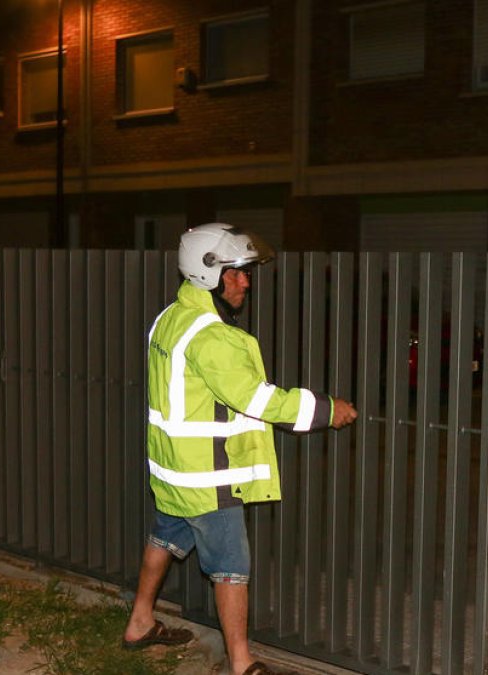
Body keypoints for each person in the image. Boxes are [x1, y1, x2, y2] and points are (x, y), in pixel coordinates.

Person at [122, 223, 358, 675]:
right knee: (231, 566)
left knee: (167, 536)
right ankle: (242, 664)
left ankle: (140, 621)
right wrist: (328, 410)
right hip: (209, 477)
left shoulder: (171, 318)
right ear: (208, 273)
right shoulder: (214, 337)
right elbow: (259, 400)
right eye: (236, 272)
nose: (245, 281)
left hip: (173, 468)